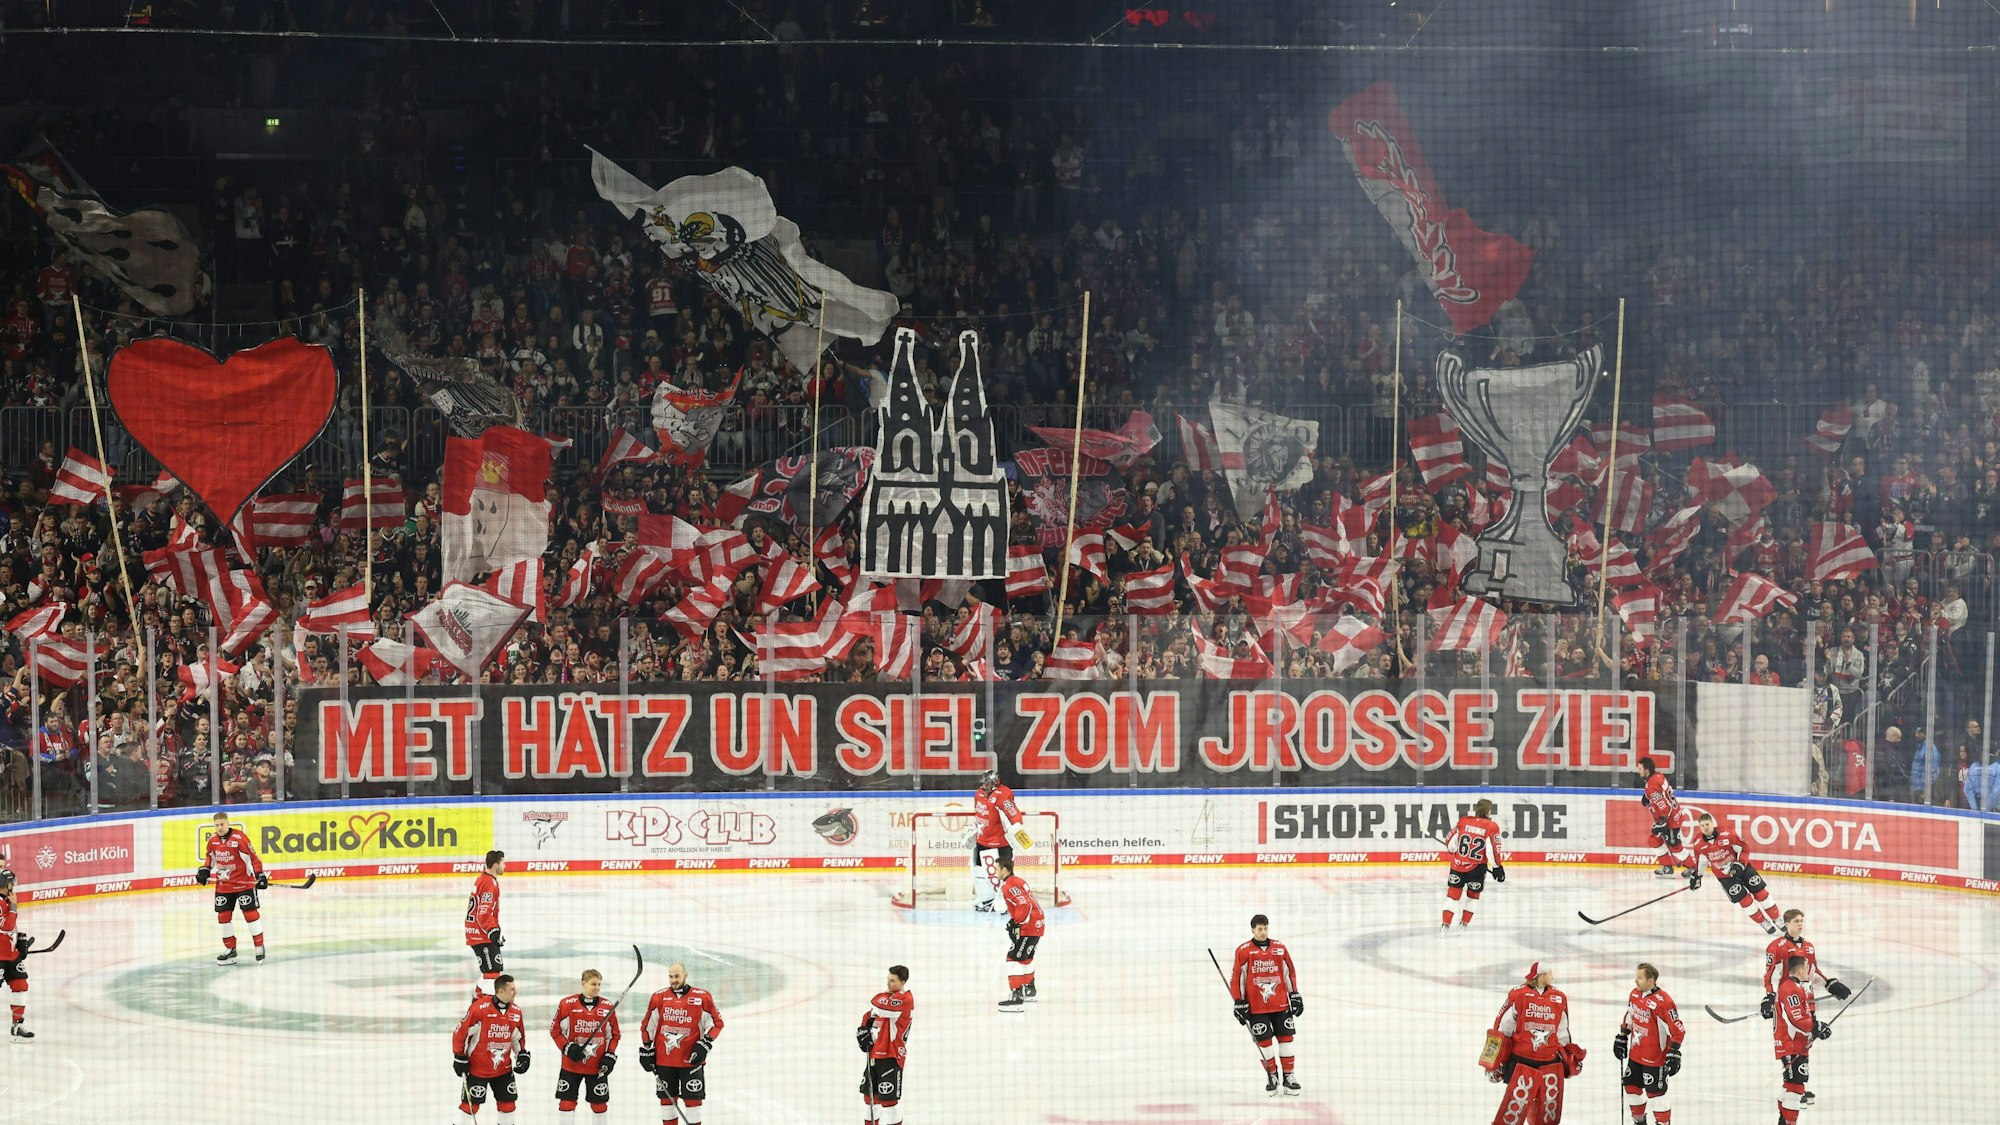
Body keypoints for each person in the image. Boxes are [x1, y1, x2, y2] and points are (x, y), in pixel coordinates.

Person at [1761, 909, 1852, 1107]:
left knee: (1804, 1043)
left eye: (1802, 920)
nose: (1800, 924)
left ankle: (1795, 1085)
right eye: (1796, 921)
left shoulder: (1809, 946)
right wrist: (1769, 997)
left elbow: (1813, 972)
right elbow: (1771, 976)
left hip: (1806, 1002)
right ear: (1786, 924)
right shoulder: (1776, 947)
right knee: (1791, 1043)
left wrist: (1830, 983)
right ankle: (1794, 1085)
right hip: (1788, 1004)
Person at [1482, 961, 1583, 1125]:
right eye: (1549, 973)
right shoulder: (1518, 995)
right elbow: (1502, 1029)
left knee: (1546, 1115)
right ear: (1541, 976)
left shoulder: (1559, 998)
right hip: (1521, 1062)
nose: (1552, 976)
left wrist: (1569, 1057)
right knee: (1513, 1110)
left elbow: (1563, 1030)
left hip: (1549, 1063)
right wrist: (1493, 1063)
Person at [640, 961, 724, 1125]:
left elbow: (717, 1023)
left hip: (691, 1060)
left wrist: (704, 1045)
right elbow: (647, 1026)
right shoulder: (659, 997)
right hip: (664, 1061)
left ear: (686, 975)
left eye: (677, 976)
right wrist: (647, 1049)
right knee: (667, 1102)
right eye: (670, 976)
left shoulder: (701, 997)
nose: (673, 980)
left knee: (693, 1103)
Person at [1229, 913, 1302, 1096]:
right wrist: (1239, 1001)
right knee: (1265, 1043)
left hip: (1281, 1005)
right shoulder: (1244, 951)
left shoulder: (1279, 948)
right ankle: (1272, 1076)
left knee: (1287, 1041)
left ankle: (1289, 1077)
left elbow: (1289, 973)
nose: (1263, 932)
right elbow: (1237, 979)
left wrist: (1294, 995)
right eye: (1260, 929)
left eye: (1266, 928)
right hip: (1257, 1008)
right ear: (1253, 929)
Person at [1682, 812, 1782, 934]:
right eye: (1702, 825)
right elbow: (1702, 860)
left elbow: (1744, 848)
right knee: (1744, 900)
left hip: (1742, 869)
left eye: (1707, 824)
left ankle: (1778, 920)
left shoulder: (1727, 834)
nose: (1705, 827)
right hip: (1725, 877)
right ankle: (1763, 922)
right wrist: (1697, 875)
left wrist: (1739, 864)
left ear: (1712, 823)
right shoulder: (1698, 842)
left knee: (1761, 893)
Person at [453, 973, 529, 1124]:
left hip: (503, 1069)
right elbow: (460, 1032)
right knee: (470, 1107)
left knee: (508, 1106)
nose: (515, 992)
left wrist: (521, 1055)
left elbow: (517, 1037)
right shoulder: (479, 1009)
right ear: (500, 991)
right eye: (512, 989)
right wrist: (459, 1056)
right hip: (477, 1068)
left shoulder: (516, 1012)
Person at [1614, 963, 1684, 1125]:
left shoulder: (1663, 1002)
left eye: (1640, 978)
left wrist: (1674, 1052)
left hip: (1655, 1058)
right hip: (1636, 1054)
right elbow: (1630, 1016)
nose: (1635, 981)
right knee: (1631, 1088)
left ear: (1651, 981)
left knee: (1657, 1094)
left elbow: (1678, 1029)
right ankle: (1639, 1122)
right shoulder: (1634, 995)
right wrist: (1623, 1035)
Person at [197, 810, 268, 964]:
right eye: (216, 825)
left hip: (244, 884)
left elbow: (254, 858)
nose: (219, 827)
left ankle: (259, 946)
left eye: (222, 824)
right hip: (224, 886)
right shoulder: (213, 841)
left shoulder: (239, 838)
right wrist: (204, 871)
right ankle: (230, 949)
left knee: (250, 914)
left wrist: (260, 875)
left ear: (228, 823)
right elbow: (210, 859)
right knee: (223, 917)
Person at [550, 968, 620, 1121]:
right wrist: (568, 1048)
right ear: (583, 984)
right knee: (566, 1103)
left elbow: (615, 1035)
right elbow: (555, 1031)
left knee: (599, 1105)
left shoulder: (607, 1007)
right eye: (593, 984)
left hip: (597, 1067)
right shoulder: (567, 1004)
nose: (597, 988)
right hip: (571, 1065)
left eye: (599, 984)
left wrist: (610, 1055)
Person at [1772, 955, 1830, 1125]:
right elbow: (1795, 1019)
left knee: (1790, 1085)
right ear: (1799, 970)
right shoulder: (1791, 989)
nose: (1808, 971)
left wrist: (1815, 1028)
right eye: (1806, 968)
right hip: (1791, 1044)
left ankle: (1783, 1122)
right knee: (1795, 1088)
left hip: (1793, 1043)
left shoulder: (1794, 987)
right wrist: (1815, 1027)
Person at [857, 965, 913, 1125]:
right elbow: (868, 1015)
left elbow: (879, 1006)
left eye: (893, 981)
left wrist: (878, 1004)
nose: (889, 984)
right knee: (869, 1098)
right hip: (874, 1055)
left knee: (889, 1101)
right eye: (888, 980)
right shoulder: (886, 998)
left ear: (902, 982)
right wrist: (862, 1032)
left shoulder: (906, 1000)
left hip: (891, 1056)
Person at [970, 771, 1032, 912]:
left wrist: (1017, 832)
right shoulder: (979, 793)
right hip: (982, 840)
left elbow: (1014, 816)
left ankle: (1008, 901)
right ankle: (987, 899)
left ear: (994, 783)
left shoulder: (1003, 795)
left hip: (1001, 844)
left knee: (1004, 874)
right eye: (983, 783)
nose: (984, 786)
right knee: (979, 871)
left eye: (987, 783)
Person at [1442, 798, 1506, 932]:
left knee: (1453, 895)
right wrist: (1497, 867)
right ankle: (1463, 925)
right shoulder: (1491, 826)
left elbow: (1449, 841)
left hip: (1457, 866)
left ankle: (1445, 925)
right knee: (1473, 896)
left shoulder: (1464, 821)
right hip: (1477, 869)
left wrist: (1453, 851)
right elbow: (1493, 849)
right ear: (1489, 811)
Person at [995, 856, 1045, 1011]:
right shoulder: (1017, 881)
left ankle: (1016, 997)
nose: (995, 872)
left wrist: (1017, 923)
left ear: (1004, 869)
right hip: (1037, 923)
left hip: (1029, 926)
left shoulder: (1009, 885)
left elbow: (1024, 903)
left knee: (1013, 957)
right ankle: (1029, 990)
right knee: (1026, 957)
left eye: (997, 869)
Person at [466, 849, 505, 996]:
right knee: (492, 972)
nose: (505, 867)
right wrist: (493, 931)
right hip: (482, 935)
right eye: (503, 863)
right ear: (495, 866)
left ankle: (477, 1000)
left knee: (491, 970)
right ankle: (485, 1010)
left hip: (478, 933)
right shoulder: (489, 883)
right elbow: (483, 912)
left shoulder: (482, 879)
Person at [1636, 757, 1683, 876]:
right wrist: (1649, 797)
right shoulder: (1658, 776)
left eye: (1640, 768)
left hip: (1669, 818)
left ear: (1646, 769)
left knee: (1674, 846)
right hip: (1671, 813)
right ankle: (1667, 867)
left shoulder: (1651, 785)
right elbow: (1662, 793)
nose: (1638, 770)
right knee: (1654, 840)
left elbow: (1665, 807)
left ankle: (1693, 868)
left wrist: (1661, 822)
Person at [0, 869, 32, 1040]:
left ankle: (17, 1026)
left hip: (11, 957)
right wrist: (13, 906)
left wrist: (19, 941)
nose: (14, 886)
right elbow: (5, 925)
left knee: (20, 985)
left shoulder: (6, 900)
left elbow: (9, 929)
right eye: (12, 883)